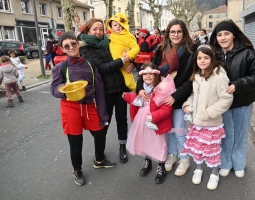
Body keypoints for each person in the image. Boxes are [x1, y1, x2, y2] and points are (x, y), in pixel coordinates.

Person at [50, 32, 115, 186]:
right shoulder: (61, 67)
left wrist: (102, 110)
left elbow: (98, 87)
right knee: (75, 141)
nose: (71, 47)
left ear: (78, 44)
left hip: (89, 105)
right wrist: (62, 88)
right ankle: (77, 169)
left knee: (100, 133)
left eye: (73, 43)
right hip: (70, 107)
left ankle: (99, 159)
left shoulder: (90, 64)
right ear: (62, 49)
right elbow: (53, 88)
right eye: (67, 46)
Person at [137, 18, 198, 177]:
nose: (176, 35)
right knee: (168, 129)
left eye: (179, 31)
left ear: (184, 32)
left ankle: (184, 159)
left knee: (178, 129)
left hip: (179, 96)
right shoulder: (161, 49)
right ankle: (172, 154)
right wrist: (139, 88)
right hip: (161, 96)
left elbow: (191, 78)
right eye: (172, 32)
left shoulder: (191, 50)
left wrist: (175, 96)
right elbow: (149, 70)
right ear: (168, 33)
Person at [209, 19, 255, 178]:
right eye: (219, 34)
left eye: (226, 33)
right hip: (222, 104)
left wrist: (239, 84)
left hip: (243, 102)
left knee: (241, 134)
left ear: (233, 35)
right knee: (225, 134)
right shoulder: (214, 54)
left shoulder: (247, 52)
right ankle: (225, 163)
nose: (223, 38)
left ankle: (239, 163)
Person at [79, 17, 132, 163]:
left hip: (121, 87)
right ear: (88, 30)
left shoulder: (110, 42)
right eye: (95, 29)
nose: (98, 32)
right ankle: (99, 153)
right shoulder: (85, 48)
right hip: (105, 92)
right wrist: (122, 61)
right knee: (104, 121)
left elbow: (125, 52)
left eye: (101, 29)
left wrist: (130, 63)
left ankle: (122, 147)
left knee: (122, 119)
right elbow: (102, 68)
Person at [180, 45, 233, 190]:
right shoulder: (197, 75)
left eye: (206, 57)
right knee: (198, 148)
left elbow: (226, 99)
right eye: (199, 58)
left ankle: (214, 173)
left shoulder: (219, 76)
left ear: (212, 58)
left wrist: (207, 113)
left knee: (212, 149)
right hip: (196, 122)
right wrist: (188, 104)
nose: (202, 61)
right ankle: (198, 169)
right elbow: (193, 95)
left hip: (211, 122)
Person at [123, 63, 174, 184]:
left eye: (151, 73)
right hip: (142, 119)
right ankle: (148, 161)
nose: (148, 76)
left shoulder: (162, 89)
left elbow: (166, 108)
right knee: (145, 140)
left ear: (156, 74)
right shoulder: (141, 89)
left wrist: (154, 116)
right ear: (142, 76)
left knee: (159, 142)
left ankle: (161, 166)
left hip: (156, 120)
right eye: (145, 74)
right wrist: (126, 97)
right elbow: (136, 100)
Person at [106, 13, 140, 91]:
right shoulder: (110, 36)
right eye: (115, 25)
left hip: (124, 65)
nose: (118, 26)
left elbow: (136, 48)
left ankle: (140, 94)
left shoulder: (128, 36)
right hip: (114, 66)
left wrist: (129, 55)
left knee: (130, 84)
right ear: (111, 27)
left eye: (120, 25)